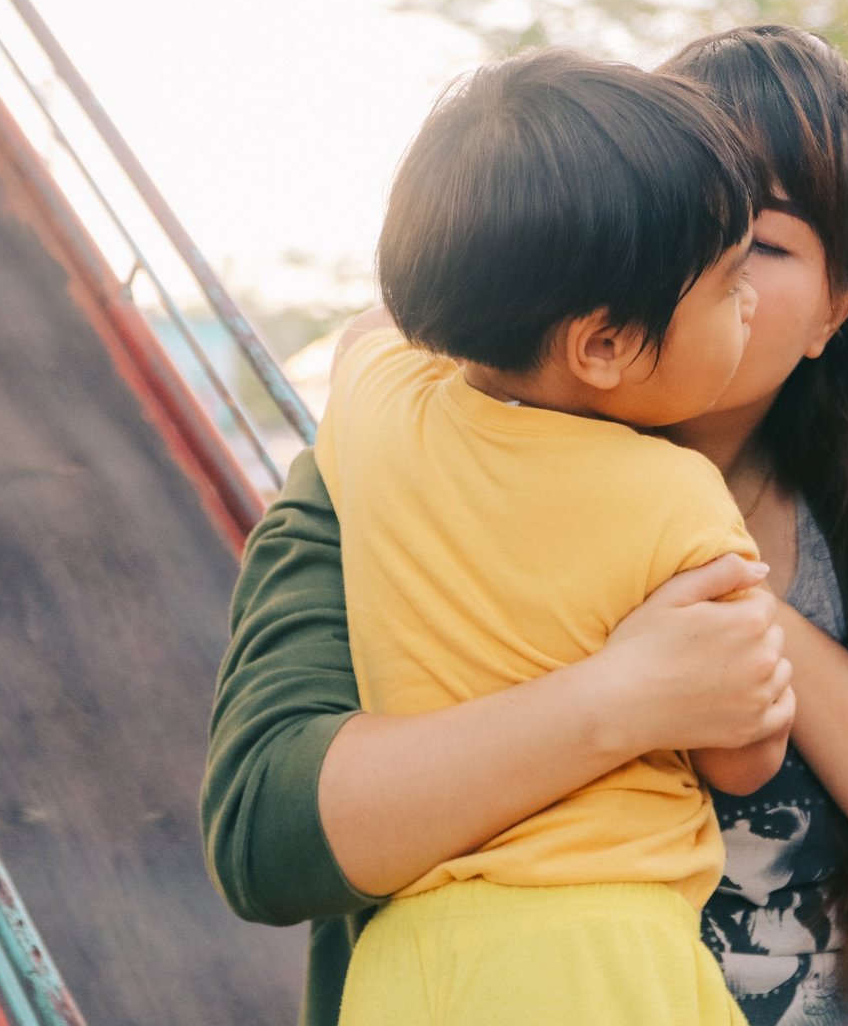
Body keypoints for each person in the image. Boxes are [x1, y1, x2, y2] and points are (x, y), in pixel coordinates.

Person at [204, 26, 848, 1025]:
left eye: (756, 246)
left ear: (837, 309)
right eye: (673, 224)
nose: (696, 267)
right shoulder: (396, 469)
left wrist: (748, 625)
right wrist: (617, 698)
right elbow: (266, 833)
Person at [318, 50, 789, 1025]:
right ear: (605, 344)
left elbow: (370, 328)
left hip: (405, 958)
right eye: (729, 280)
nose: (750, 301)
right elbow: (745, 752)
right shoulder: (678, 497)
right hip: (598, 954)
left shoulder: (379, 413)